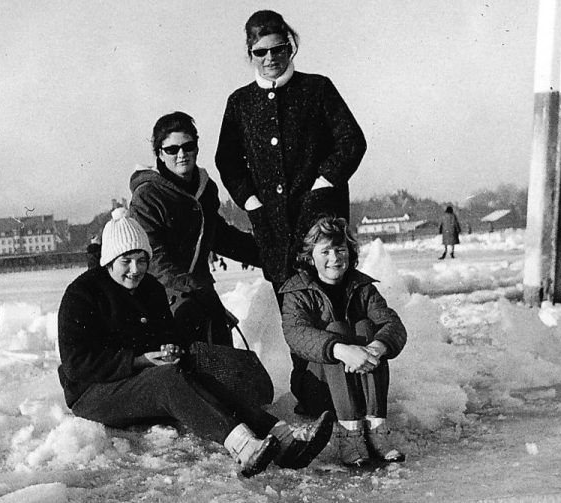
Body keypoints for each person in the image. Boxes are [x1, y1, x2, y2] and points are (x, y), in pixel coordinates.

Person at [57, 208, 334, 477]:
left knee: (191, 373)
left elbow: (167, 333)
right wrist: (138, 360)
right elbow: (76, 364)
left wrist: (170, 348)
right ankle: (243, 446)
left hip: (142, 379)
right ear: (109, 261)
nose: (135, 269)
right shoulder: (82, 294)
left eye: (142, 260)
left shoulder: (151, 288)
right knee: (164, 380)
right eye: (126, 261)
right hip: (92, 393)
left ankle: (282, 436)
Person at [215, 10, 367, 295]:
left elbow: (352, 141)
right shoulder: (240, 103)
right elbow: (227, 161)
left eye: (278, 49)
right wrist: (251, 203)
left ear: (290, 47)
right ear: (250, 54)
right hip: (273, 227)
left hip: (322, 224)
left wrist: (322, 186)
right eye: (260, 52)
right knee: (294, 311)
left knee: (334, 305)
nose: (270, 58)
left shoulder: (317, 88)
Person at [279, 216, 407, 466]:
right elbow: (296, 334)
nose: (334, 258)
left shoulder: (362, 287)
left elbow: (394, 325)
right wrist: (341, 350)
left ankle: (375, 428)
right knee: (335, 330)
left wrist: (375, 348)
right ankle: (349, 434)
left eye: (340, 249)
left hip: (361, 387)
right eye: (325, 251)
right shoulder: (296, 292)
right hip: (319, 389)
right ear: (310, 257)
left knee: (367, 328)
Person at [130, 112, 261, 346]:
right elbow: (154, 259)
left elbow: (219, 235)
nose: (181, 155)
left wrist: (268, 253)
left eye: (187, 146)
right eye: (171, 149)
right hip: (162, 297)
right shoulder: (148, 195)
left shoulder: (204, 189)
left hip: (200, 293)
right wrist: (195, 289)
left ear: (197, 148)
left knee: (223, 357)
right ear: (159, 153)